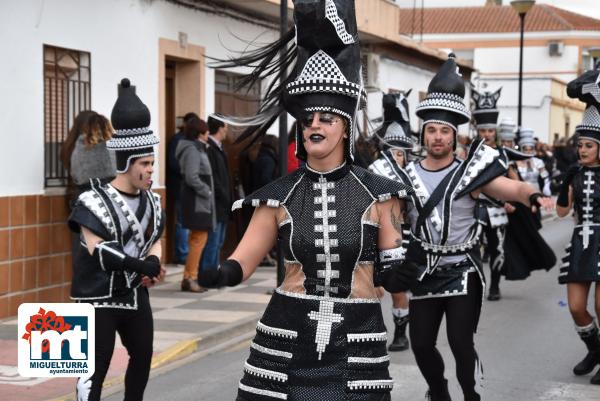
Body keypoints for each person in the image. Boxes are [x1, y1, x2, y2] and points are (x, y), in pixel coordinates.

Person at [201, 1, 418, 399]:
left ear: (346, 126)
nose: (314, 125)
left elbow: (389, 276)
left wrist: (409, 268)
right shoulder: (278, 196)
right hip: (286, 341)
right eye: (308, 120)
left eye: (326, 119)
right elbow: (244, 259)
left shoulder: (380, 194)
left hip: (357, 343)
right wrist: (220, 274)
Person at [402, 54, 553, 401]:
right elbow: (387, 220)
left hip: (462, 272)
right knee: (421, 344)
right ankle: (438, 391)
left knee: (459, 341)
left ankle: (471, 393)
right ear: (422, 133)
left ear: (455, 136)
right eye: (432, 130)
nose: (437, 137)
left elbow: (511, 188)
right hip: (423, 271)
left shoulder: (471, 173)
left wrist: (532, 194)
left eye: (444, 131)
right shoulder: (405, 176)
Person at [68, 78, 165, 401]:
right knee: (94, 368)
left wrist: (154, 260)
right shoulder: (91, 201)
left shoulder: (153, 200)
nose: (151, 171)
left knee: (143, 358)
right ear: (126, 163)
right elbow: (99, 250)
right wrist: (141, 264)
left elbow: (156, 238)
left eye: (152, 163)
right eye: (145, 164)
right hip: (97, 297)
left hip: (136, 295)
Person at [556, 63, 600, 385]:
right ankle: (595, 350)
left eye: (588, 146)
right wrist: (564, 184)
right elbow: (560, 213)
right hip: (581, 241)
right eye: (580, 145)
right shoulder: (575, 172)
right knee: (576, 307)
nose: (582, 150)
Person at [368, 91, 415, 352]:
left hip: (401, 237)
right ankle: (376, 330)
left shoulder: (411, 175)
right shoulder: (375, 170)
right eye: (393, 152)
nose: (398, 158)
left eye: (401, 153)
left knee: (398, 289)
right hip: (374, 236)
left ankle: (400, 333)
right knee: (372, 288)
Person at [471, 87, 511, 301]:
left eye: (490, 131)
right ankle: (475, 285)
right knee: (472, 250)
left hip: (497, 210)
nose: (486, 135)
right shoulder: (466, 155)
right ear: (477, 131)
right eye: (482, 131)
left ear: (495, 132)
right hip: (474, 210)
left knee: (497, 250)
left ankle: (494, 286)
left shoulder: (503, 154)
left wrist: (510, 200)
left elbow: (513, 181)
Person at [176, 116, 215, 292]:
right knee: (199, 238)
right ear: (199, 133)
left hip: (197, 199)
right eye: (206, 132)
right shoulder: (192, 149)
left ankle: (189, 276)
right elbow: (192, 176)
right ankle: (191, 277)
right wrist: (206, 191)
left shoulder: (196, 148)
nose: (208, 135)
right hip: (196, 200)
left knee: (197, 238)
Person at [60, 110, 116, 206]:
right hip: (105, 199)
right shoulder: (107, 145)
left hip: (77, 198)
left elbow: (75, 176)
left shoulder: (72, 147)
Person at [200, 116, 232, 273]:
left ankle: (213, 270)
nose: (227, 131)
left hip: (223, 203)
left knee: (218, 241)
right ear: (220, 128)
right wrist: (224, 196)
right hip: (216, 202)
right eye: (226, 127)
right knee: (213, 241)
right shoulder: (210, 148)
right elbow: (214, 178)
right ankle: (207, 272)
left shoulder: (218, 147)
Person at [167, 112, 199, 264]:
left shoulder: (190, 140)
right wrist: (189, 170)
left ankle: (187, 254)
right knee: (182, 222)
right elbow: (173, 163)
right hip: (180, 187)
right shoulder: (177, 140)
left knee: (188, 222)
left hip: (189, 187)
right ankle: (182, 255)